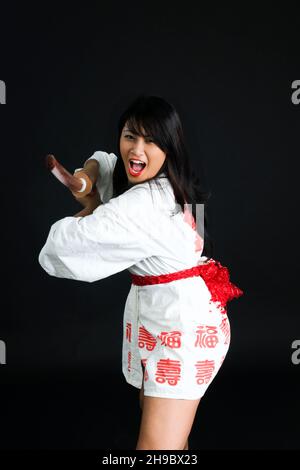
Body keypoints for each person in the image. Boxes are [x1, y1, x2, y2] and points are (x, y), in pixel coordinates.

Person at [38, 94, 243, 450]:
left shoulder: (141, 205)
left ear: (169, 147)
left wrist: (89, 213)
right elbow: (105, 162)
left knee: (157, 450)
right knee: (166, 441)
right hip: (170, 318)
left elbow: (59, 247)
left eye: (151, 141)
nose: (137, 149)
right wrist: (87, 179)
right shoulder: (168, 182)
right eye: (131, 136)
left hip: (181, 332)